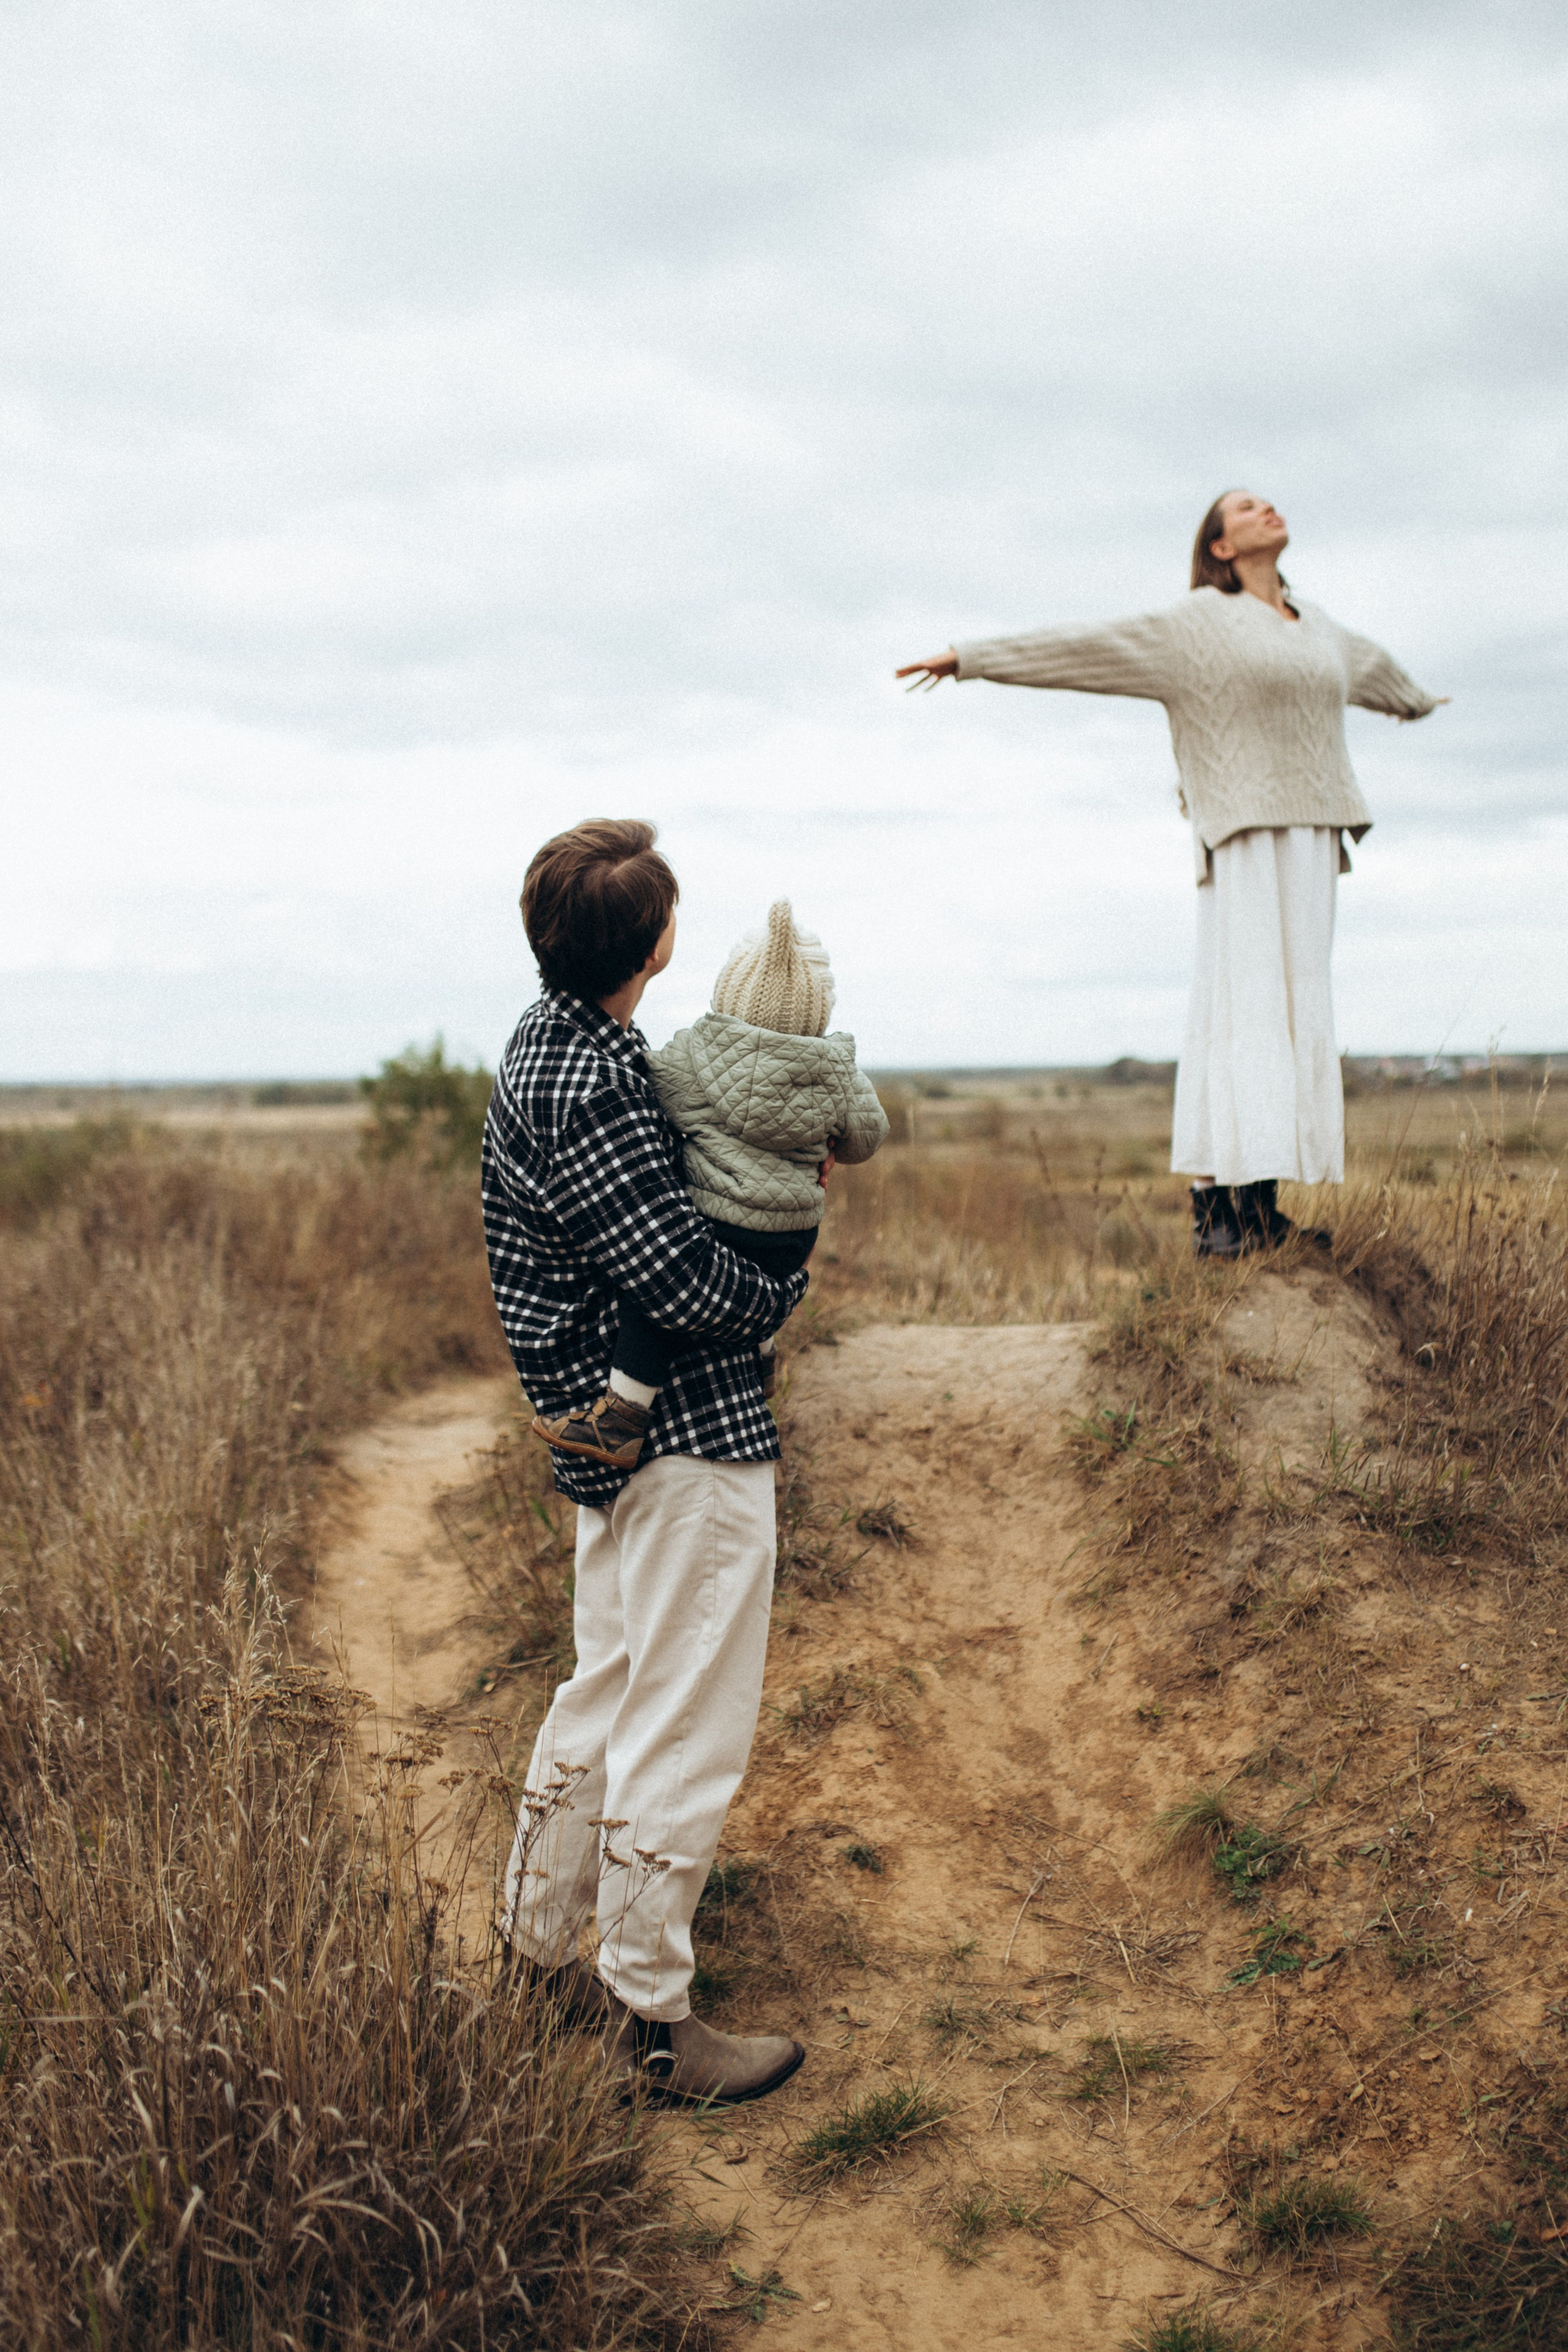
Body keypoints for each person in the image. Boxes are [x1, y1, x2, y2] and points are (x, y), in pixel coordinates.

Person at [481, 818, 809, 2106]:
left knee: (609, 1692)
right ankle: (650, 2024)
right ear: (658, 944)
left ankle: (532, 1952)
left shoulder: (551, 1042)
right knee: (683, 1727)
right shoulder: (600, 1082)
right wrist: (785, 1264)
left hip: (622, 1447)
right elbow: (678, 1278)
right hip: (686, 1449)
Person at [897, 490, 1446, 1256]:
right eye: (1247, 508)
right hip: (1245, 831)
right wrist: (973, 659)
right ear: (1220, 547)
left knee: (1294, 1012)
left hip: (1315, 833)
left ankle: (1257, 1205)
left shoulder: (1316, 626)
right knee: (1245, 1010)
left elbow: (1375, 671)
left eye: (1269, 502)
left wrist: (1416, 702)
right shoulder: (1196, 624)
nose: (1268, 510)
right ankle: (1220, 1211)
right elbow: (1090, 646)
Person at [533, 896, 889, 1470]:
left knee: (650, 1302)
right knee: (766, 1275)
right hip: (795, 1233)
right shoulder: (839, 1071)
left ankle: (623, 1416)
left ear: (730, 993)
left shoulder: (695, 1054)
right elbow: (867, 1138)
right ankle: (763, 1356)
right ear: (820, 1006)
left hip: (719, 1224)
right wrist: (826, 1142)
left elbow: (649, 1092)